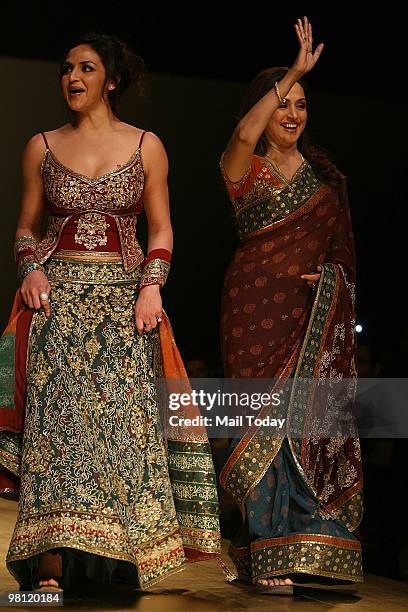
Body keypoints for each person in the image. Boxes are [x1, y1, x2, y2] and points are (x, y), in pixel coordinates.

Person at [0, 32, 220, 593]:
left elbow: (162, 228)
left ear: (112, 80)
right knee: (55, 430)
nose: (72, 78)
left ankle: (116, 557)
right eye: (66, 68)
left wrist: (152, 287)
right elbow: (26, 227)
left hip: (125, 305)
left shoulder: (147, 145)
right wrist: (30, 268)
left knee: (120, 432)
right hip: (57, 300)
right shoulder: (41, 146)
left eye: (87, 68)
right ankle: (49, 564)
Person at [219, 17, 363, 594]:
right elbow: (239, 140)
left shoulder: (328, 184)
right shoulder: (246, 171)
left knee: (304, 423)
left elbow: (347, 265)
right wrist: (293, 70)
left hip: (309, 316)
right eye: (282, 103)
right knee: (258, 422)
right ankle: (264, 549)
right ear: (264, 109)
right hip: (253, 306)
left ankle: (306, 542)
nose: (293, 113)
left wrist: (330, 285)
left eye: (302, 103)